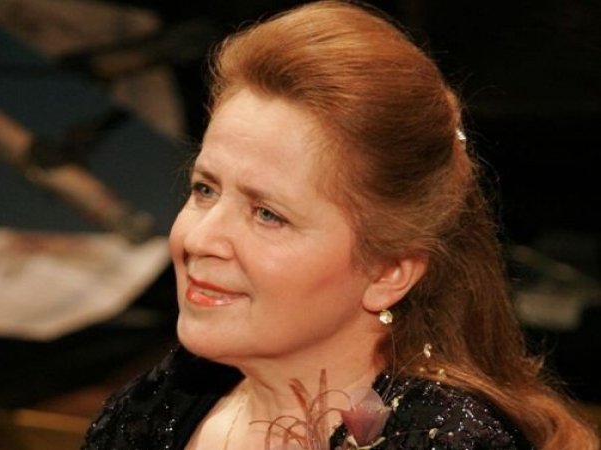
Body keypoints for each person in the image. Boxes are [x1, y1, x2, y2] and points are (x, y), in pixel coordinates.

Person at [81, 1, 599, 449]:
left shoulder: (444, 440)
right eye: (205, 190)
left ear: (389, 272)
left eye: (268, 214)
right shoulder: (162, 400)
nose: (199, 239)